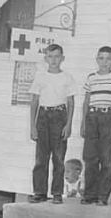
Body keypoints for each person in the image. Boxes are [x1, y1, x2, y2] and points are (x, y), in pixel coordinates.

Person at [28, 43, 78, 205]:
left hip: (59, 116)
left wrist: (68, 124)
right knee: (41, 158)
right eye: (50, 56)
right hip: (43, 116)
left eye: (57, 56)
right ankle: (39, 192)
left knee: (58, 157)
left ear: (62, 58)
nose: (54, 60)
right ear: (46, 59)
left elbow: (71, 103)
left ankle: (57, 192)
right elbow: (34, 102)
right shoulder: (40, 76)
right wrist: (33, 126)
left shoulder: (67, 78)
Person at [80, 46, 111, 206]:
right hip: (92, 117)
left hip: (108, 118)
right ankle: (89, 194)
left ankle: (102, 195)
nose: (104, 62)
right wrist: (83, 123)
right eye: (101, 58)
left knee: (106, 158)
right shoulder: (91, 77)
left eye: (108, 59)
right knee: (90, 158)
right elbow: (86, 101)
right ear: (97, 59)